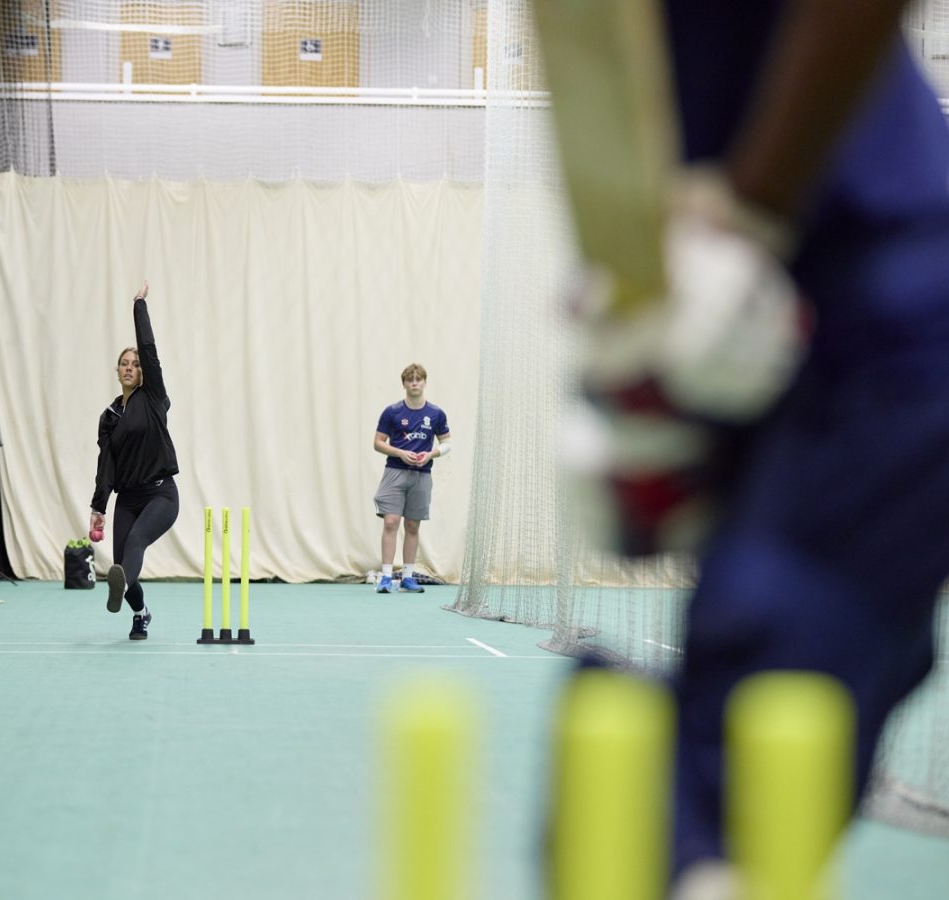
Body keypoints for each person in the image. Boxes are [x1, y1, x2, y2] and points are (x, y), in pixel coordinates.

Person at [548, 2, 949, 897]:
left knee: (698, 806)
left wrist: (747, 221)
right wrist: (644, 347)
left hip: (882, 338)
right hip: (793, 359)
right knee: (647, 795)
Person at [90, 281, 180, 640]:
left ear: (143, 372)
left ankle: (122, 584)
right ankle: (141, 613)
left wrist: (139, 306)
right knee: (122, 567)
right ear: (117, 371)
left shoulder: (153, 397)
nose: (130, 368)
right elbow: (106, 466)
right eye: (124, 364)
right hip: (127, 498)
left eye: (135, 364)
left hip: (161, 494)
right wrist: (99, 507)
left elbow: (149, 349)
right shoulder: (110, 416)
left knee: (135, 544)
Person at [372, 363, 451, 594]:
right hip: (395, 472)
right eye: (410, 380)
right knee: (390, 521)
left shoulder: (436, 414)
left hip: (422, 475)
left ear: (425, 382)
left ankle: (407, 577)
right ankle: (386, 577)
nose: (414, 383)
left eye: (418, 379)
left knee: (413, 525)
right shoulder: (392, 412)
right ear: (404, 384)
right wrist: (400, 453)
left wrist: (431, 454)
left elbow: (447, 442)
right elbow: (378, 443)